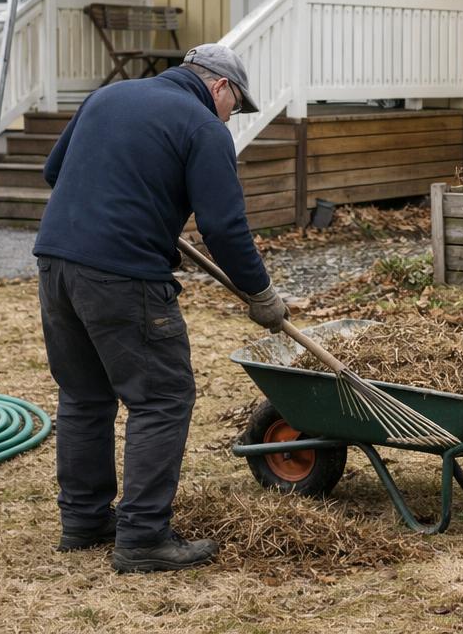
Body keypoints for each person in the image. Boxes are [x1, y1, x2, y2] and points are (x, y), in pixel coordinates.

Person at [33, 44, 288, 574]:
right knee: (163, 397)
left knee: (84, 396)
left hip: (56, 263)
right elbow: (225, 227)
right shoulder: (202, 127)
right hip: (123, 276)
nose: (231, 119)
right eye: (236, 107)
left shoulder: (106, 97)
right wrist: (261, 294)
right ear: (219, 86)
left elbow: (54, 172)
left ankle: (83, 521)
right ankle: (144, 538)